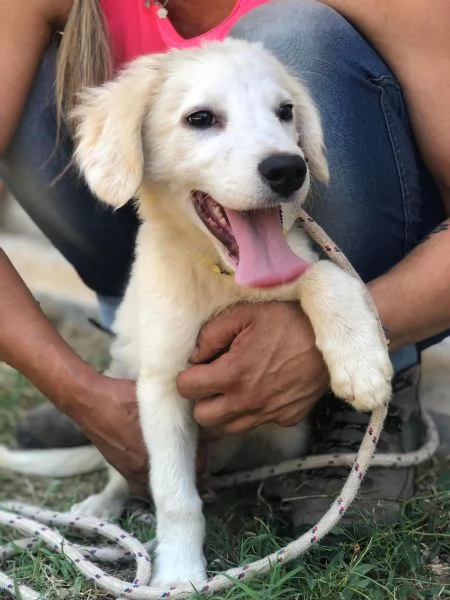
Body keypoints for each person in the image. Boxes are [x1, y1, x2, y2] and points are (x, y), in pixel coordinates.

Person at [1, 0, 450, 526]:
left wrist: (341, 330)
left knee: (291, 32)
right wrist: (82, 391)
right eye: (202, 117)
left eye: (284, 112)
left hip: (340, 264)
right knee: (29, 71)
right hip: (166, 268)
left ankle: (374, 394)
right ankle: (141, 365)